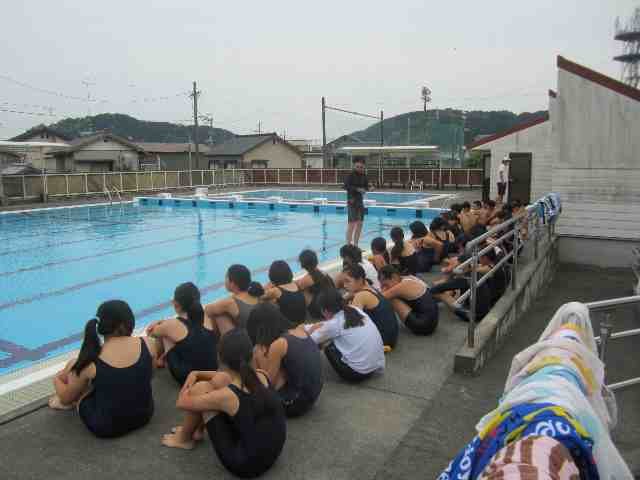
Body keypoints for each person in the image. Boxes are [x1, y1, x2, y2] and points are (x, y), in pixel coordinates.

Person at [162, 329, 287, 478]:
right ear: (250, 354)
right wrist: (195, 373)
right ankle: (197, 431)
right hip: (273, 450)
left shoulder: (228, 396)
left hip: (247, 464)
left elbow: (181, 403)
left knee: (201, 389)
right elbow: (225, 377)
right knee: (218, 382)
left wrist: (189, 386)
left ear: (221, 360)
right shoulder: (262, 375)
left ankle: (184, 439)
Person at [49, 300, 157, 438]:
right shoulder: (149, 344)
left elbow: (66, 398)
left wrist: (56, 378)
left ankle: (63, 400)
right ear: (126, 324)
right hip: (144, 415)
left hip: (106, 427)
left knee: (75, 375)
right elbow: (150, 376)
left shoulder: (90, 362)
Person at [252, 303, 324, 417]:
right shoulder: (299, 330)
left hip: (295, 403)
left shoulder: (279, 344)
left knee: (258, 351)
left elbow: (269, 382)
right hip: (314, 393)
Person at [306, 288, 385, 382]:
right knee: (334, 336)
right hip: (374, 367)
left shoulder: (334, 324)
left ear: (325, 310)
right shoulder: (354, 309)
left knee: (327, 346)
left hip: (357, 374)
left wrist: (308, 329)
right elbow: (325, 326)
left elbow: (309, 340)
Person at [146, 282, 218, 385]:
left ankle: (160, 360)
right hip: (211, 372)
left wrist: (158, 322)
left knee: (165, 334)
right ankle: (162, 359)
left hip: (188, 378)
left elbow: (150, 333)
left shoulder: (173, 324)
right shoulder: (206, 315)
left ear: (176, 304)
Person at [343, 264, 399, 349]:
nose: (344, 285)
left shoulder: (361, 295)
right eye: (343, 281)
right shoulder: (370, 288)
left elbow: (352, 324)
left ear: (360, 280)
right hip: (392, 337)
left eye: (348, 281)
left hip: (383, 341)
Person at [377, 265, 439, 336]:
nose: (384, 287)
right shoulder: (407, 278)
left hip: (423, 325)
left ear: (394, 277)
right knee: (390, 296)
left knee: (392, 299)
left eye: (385, 285)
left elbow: (377, 299)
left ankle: (386, 328)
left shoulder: (402, 286)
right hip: (431, 322)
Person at [205, 264, 263, 335]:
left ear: (232, 284)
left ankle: (217, 342)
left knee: (219, 314)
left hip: (246, 342)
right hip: (259, 336)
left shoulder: (230, 302)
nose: (224, 280)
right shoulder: (256, 294)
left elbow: (208, 310)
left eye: (226, 277)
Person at [261, 260, 307, 326]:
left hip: (290, 326)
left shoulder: (276, 291)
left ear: (272, 275)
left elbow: (259, 296)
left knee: (265, 303)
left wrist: (268, 285)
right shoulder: (295, 284)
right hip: (302, 321)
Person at [295, 249, 335, 319]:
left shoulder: (308, 279)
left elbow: (295, 287)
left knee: (301, 291)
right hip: (332, 303)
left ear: (303, 264)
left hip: (321, 310)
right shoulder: (322, 272)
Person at [343, 158, 370, 246]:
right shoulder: (350, 175)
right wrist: (358, 189)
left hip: (360, 202)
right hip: (351, 201)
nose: (359, 168)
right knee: (351, 224)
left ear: (364, 167)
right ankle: (348, 245)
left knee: (360, 224)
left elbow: (366, 187)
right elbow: (346, 186)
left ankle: (356, 245)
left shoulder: (364, 175)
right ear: (354, 166)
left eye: (361, 167)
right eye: (357, 167)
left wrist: (369, 188)